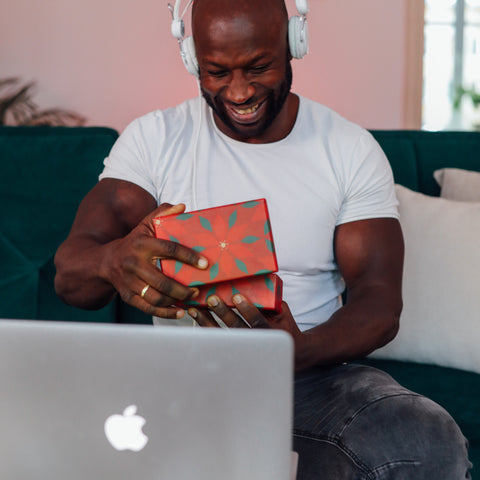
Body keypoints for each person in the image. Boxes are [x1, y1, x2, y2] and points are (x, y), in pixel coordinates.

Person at [54, 0, 471, 477]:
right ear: (192, 59)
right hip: (178, 380)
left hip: (311, 382)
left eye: (259, 66)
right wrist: (111, 262)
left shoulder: (349, 150)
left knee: (424, 436)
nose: (239, 91)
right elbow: (71, 277)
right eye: (215, 71)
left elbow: (379, 304)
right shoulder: (154, 140)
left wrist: (295, 352)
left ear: (294, 45)